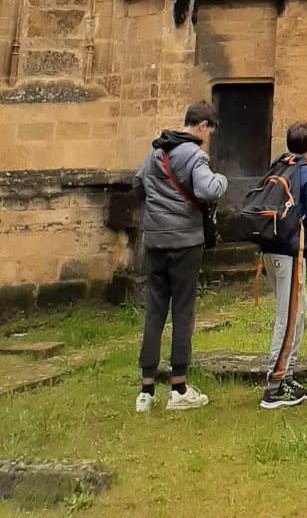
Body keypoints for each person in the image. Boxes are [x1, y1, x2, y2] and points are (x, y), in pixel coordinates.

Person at [132, 100, 227, 412]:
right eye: (209, 131)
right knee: (182, 311)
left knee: (154, 312)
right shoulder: (195, 155)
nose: (208, 138)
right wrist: (222, 179)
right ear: (202, 126)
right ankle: (179, 389)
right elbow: (208, 190)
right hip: (185, 243)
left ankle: (146, 390)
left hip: (154, 241)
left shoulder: (156, 151)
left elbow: (138, 185)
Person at [259, 120, 307, 410]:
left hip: (270, 247)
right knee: (288, 316)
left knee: (298, 309)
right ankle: (274, 386)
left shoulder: (278, 166)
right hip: (290, 249)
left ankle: (287, 374)